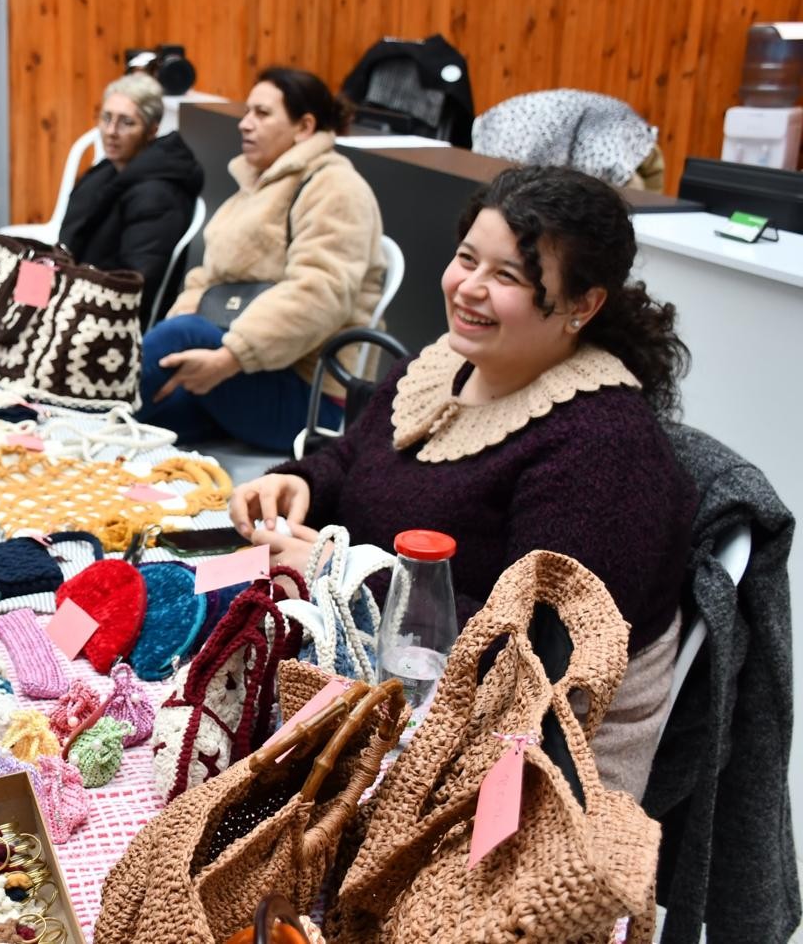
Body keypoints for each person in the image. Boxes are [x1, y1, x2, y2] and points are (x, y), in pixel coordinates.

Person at [228, 165, 695, 798]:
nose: (469, 288)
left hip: (521, 768)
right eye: (466, 259)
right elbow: (359, 460)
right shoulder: (447, 363)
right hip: (388, 695)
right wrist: (300, 482)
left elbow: (542, 658)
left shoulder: (602, 447)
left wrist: (345, 574)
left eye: (507, 276)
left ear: (582, 305)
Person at [138, 66, 386, 450]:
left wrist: (231, 357)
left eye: (262, 113)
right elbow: (205, 281)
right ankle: (50, 433)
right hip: (242, 375)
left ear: (304, 127)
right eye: (247, 111)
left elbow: (319, 293)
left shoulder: (337, 188)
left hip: (312, 400)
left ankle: (54, 411)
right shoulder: (254, 188)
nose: (245, 124)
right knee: (145, 423)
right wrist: (183, 361)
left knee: (180, 336)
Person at [59, 73, 204, 320]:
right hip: (76, 291)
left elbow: (133, 287)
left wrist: (54, 297)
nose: (111, 131)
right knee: (11, 297)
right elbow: (64, 250)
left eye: (126, 122)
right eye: (106, 118)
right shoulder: (106, 172)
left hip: (104, 317)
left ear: (152, 130)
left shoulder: (158, 195)